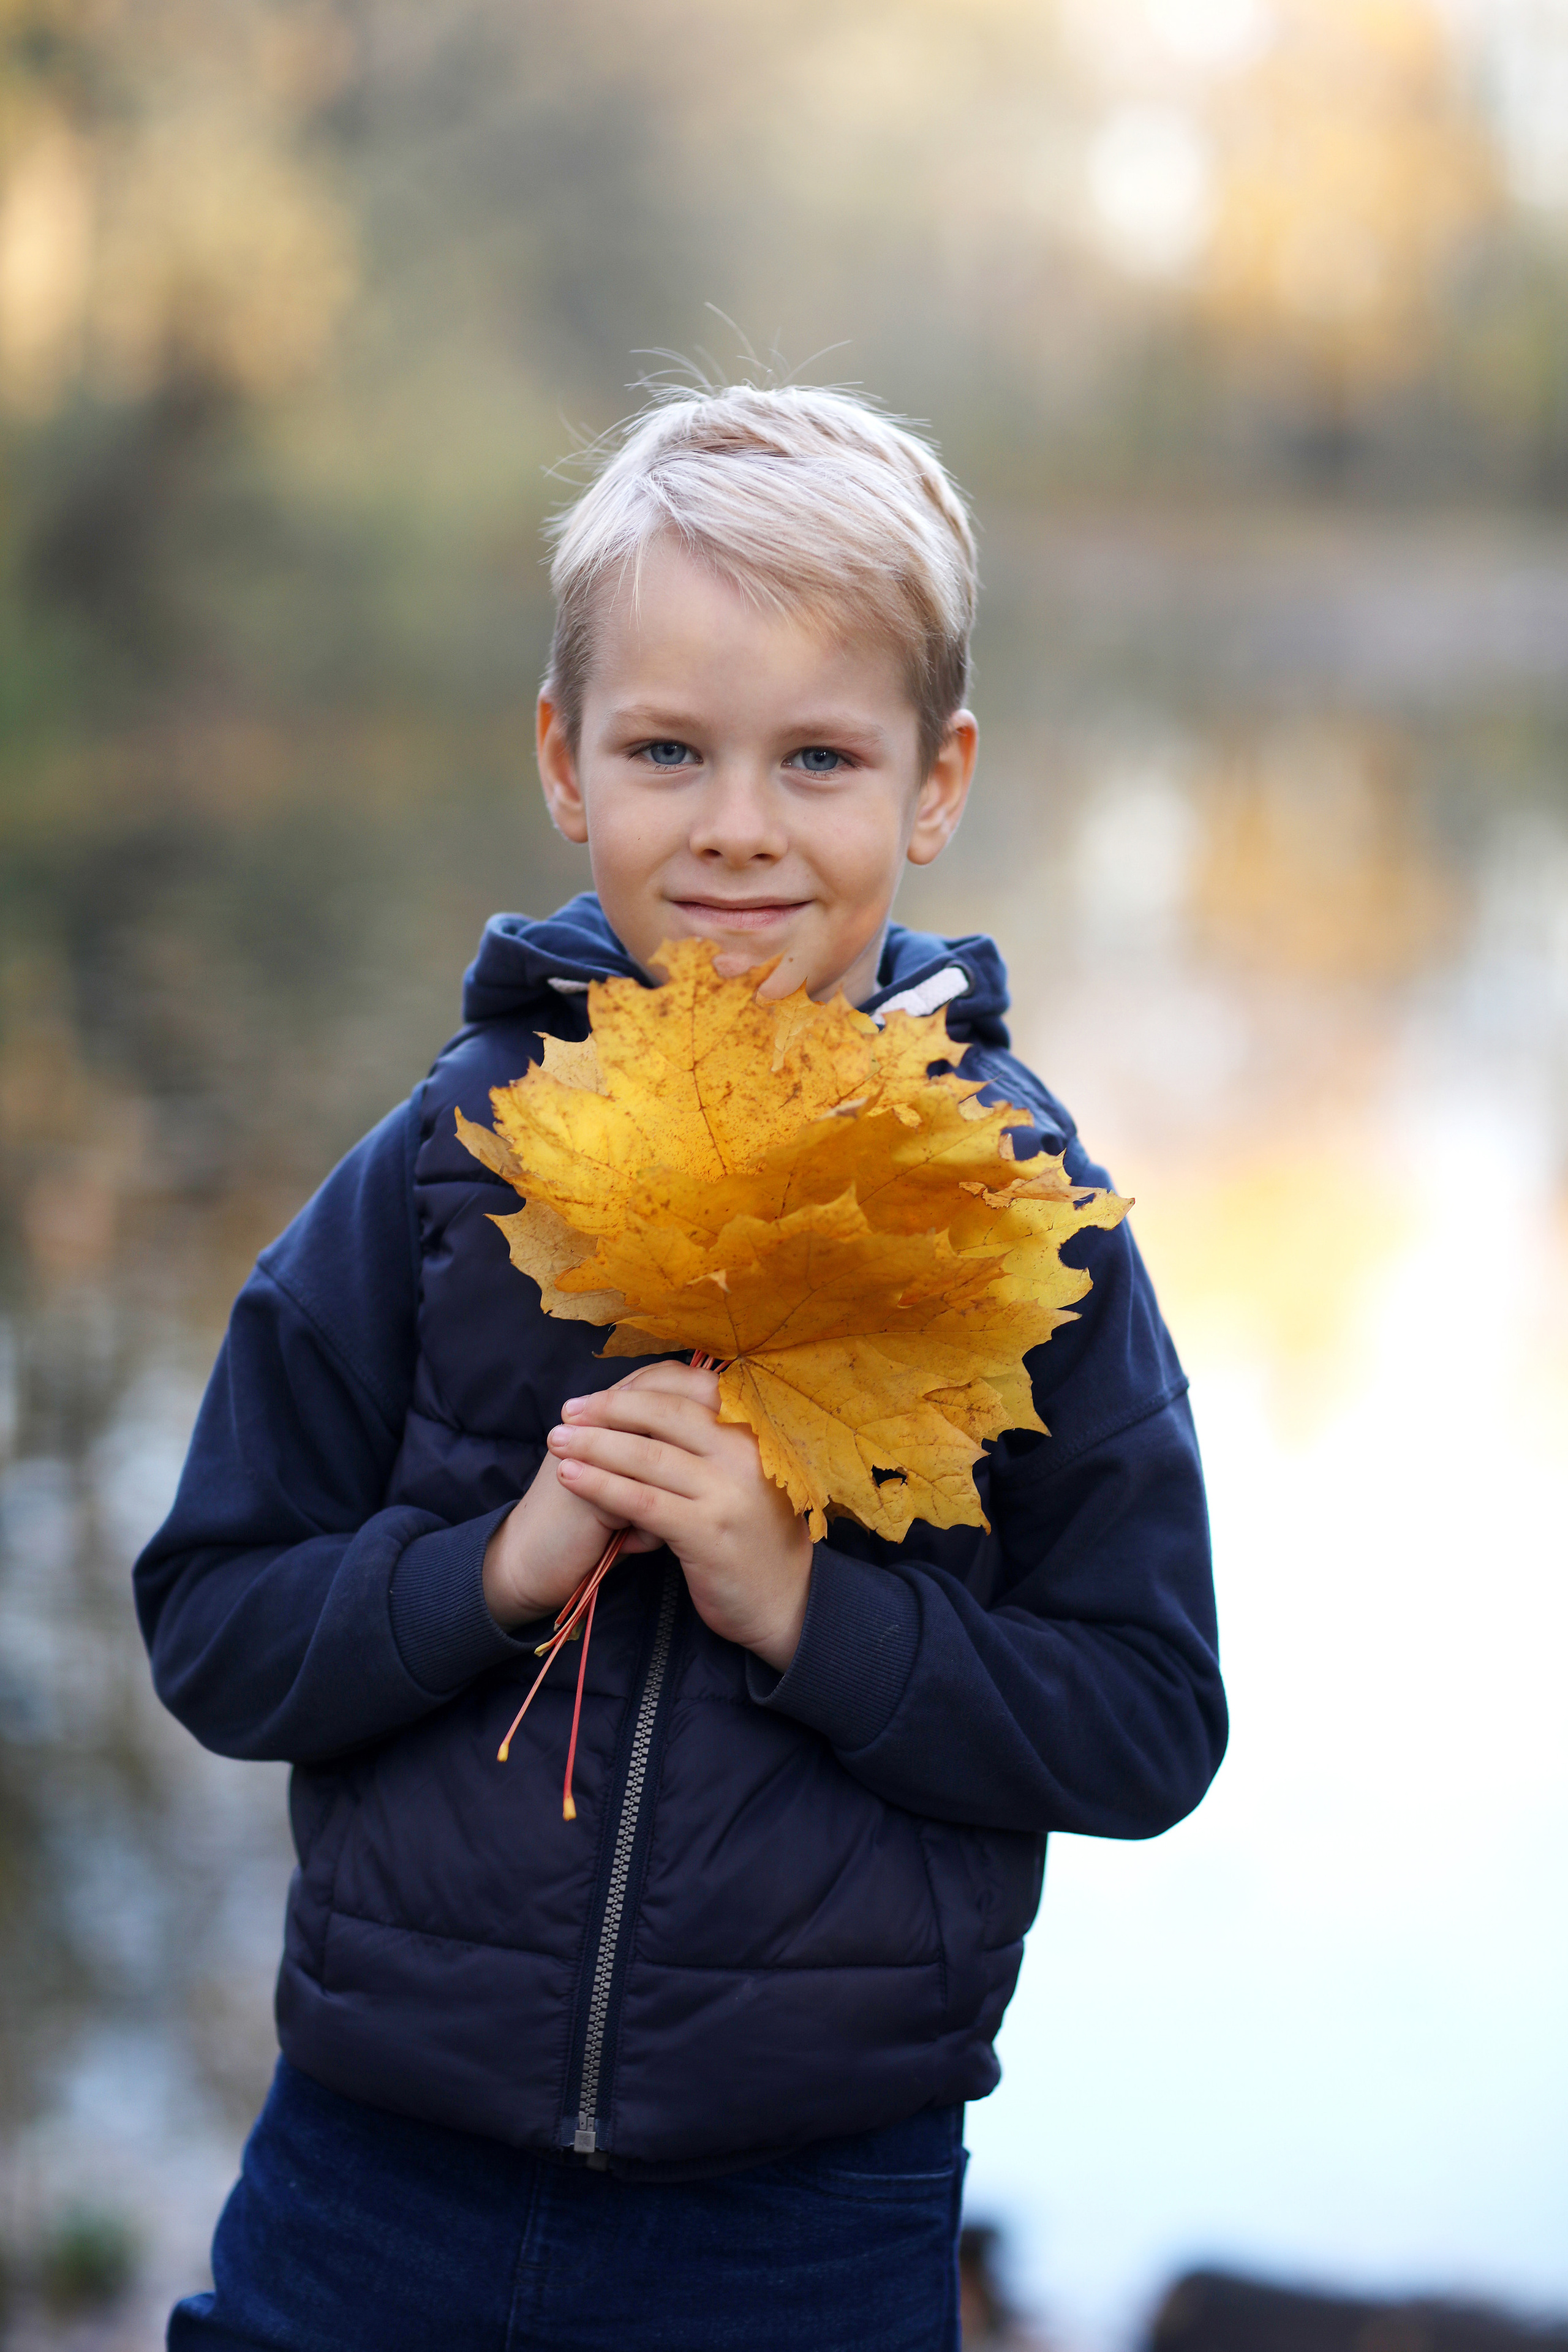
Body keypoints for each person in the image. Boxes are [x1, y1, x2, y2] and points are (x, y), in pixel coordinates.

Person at [135, 382, 1227, 2352]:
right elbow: (213, 1624)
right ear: (565, 760)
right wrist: (492, 1567)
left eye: (819, 756)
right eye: (668, 749)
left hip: (806, 2215)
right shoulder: (453, 1165)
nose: (737, 826)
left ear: (937, 779)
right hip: (378, 2170)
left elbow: (1148, 1722)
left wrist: (807, 1610)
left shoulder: (1013, 1214)